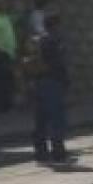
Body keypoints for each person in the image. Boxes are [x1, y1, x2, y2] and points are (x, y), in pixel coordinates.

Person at [30, 14, 71, 163]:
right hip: (52, 82)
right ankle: (58, 153)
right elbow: (59, 64)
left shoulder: (37, 40)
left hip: (38, 82)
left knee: (41, 119)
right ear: (56, 26)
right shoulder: (55, 41)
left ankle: (40, 152)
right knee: (56, 119)